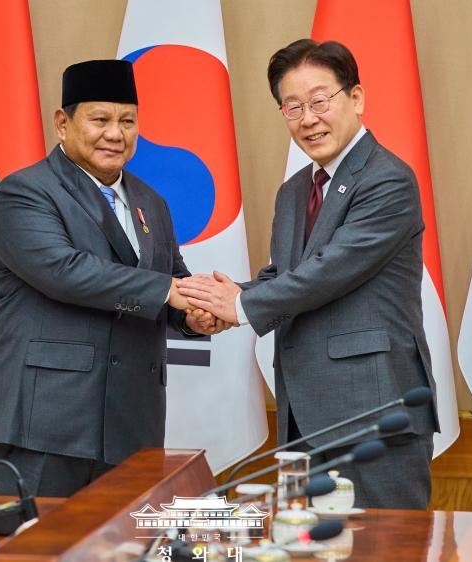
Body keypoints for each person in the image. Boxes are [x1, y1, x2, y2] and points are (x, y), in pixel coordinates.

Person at [178, 40, 439, 509]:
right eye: (293, 107)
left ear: (355, 98)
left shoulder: (387, 179)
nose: (308, 119)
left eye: (319, 101)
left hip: (373, 414)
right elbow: (286, 274)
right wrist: (225, 297)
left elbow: (329, 271)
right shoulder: (295, 190)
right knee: (305, 544)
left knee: (383, 543)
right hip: (304, 413)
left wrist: (239, 306)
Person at [0, 59, 226, 497]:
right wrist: (170, 292)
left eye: (127, 121)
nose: (115, 134)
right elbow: (64, 272)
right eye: (100, 120)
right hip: (43, 419)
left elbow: (171, 280)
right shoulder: (25, 191)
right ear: (62, 123)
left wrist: (194, 316)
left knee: (123, 537)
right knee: (35, 537)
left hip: (131, 423)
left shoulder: (151, 201)